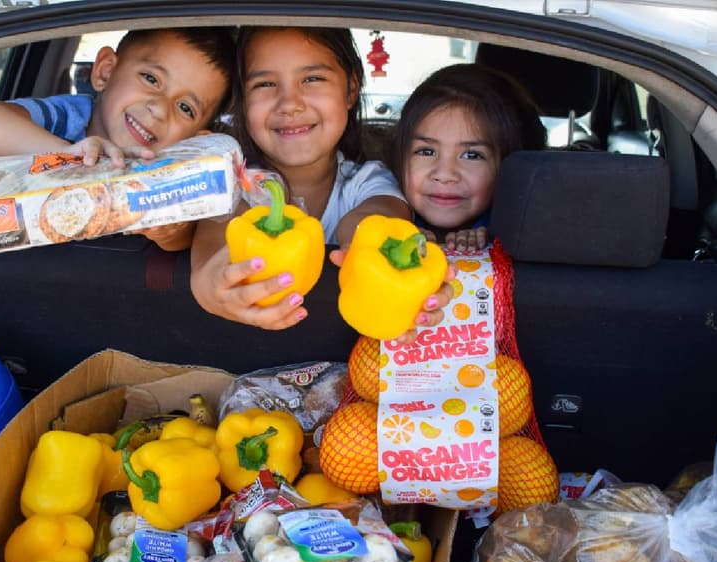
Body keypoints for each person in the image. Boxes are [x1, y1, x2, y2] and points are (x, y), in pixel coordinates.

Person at [189, 27, 452, 340]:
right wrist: (208, 287)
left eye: (312, 79)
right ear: (243, 102)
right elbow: (212, 251)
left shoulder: (368, 180)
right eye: (265, 84)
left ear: (351, 88)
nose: (289, 103)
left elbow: (377, 219)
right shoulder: (231, 182)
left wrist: (377, 253)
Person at [0, 28, 235, 251]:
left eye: (185, 108)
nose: (160, 109)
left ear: (197, 139)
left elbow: (183, 238)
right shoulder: (69, 117)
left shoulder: (174, 172)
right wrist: (70, 157)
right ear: (105, 71)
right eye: (150, 79)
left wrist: (168, 234)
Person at [390, 63, 546, 251]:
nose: (445, 174)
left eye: (472, 155)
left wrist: (491, 238)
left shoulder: (525, 232)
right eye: (426, 151)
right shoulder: (381, 212)